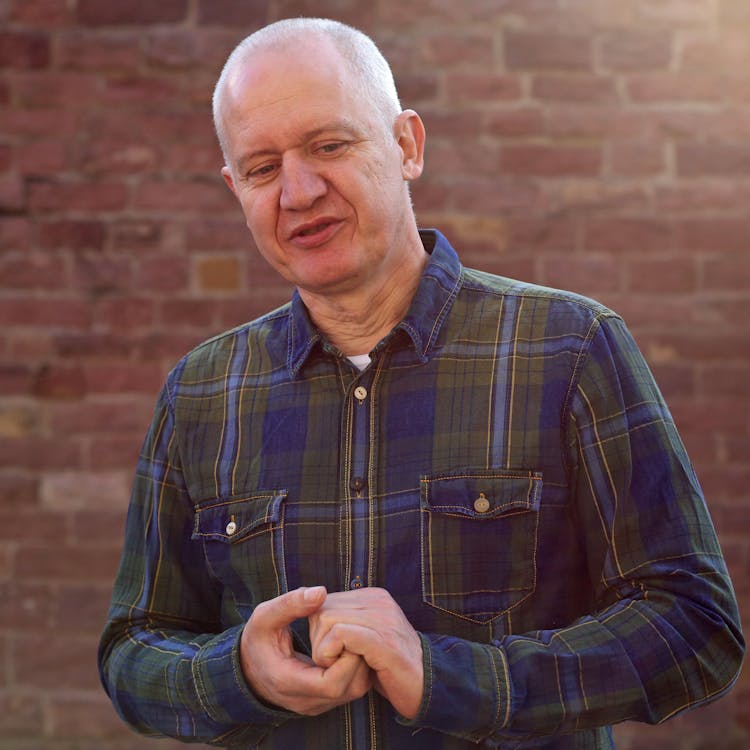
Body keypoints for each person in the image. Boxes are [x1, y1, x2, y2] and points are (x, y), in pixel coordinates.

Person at [98, 17, 744, 750]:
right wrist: (233, 670)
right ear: (234, 187)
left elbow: (696, 628)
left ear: (407, 145)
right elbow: (132, 651)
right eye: (262, 167)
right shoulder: (202, 393)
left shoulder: (568, 349)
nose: (299, 192)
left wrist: (448, 678)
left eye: (329, 146)